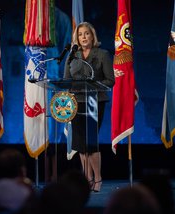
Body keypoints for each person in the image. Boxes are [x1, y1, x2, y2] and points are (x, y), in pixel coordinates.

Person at [63, 22, 115, 192]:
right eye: (80, 34)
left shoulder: (103, 54)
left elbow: (110, 80)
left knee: (91, 142)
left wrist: (92, 85)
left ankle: (98, 178)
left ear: (93, 36)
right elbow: (66, 80)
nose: (83, 37)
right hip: (76, 102)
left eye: (86, 34)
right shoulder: (72, 55)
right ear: (76, 38)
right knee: (80, 143)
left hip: (95, 101)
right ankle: (87, 178)